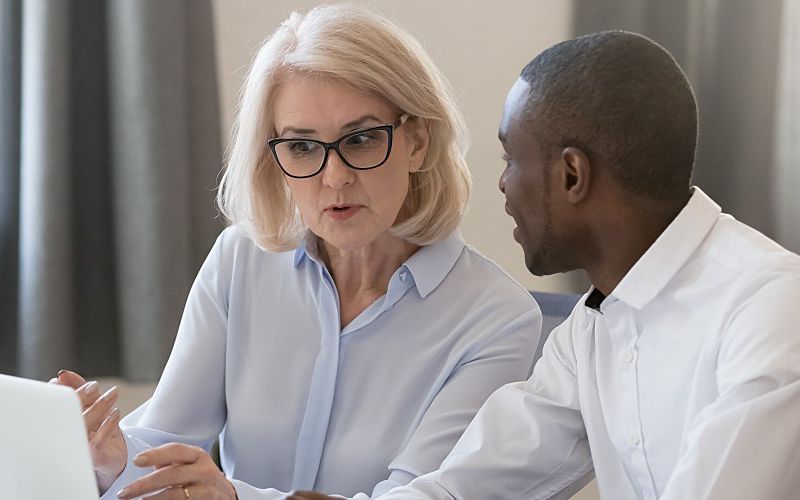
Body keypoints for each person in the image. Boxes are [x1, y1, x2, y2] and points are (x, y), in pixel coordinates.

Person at [52, 5, 543, 500]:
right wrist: (111, 456)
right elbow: (165, 440)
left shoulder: (497, 319)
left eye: (362, 138)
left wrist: (232, 496)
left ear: (417, 140)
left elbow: (416, 497)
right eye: (303, 147)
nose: (335, 177)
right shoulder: (240, 261)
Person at [291, 30, 800, 500]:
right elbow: (468, 485)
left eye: (511, 157)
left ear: (572, 175)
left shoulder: (771, 308)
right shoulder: (591, 328)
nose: (503, 184)